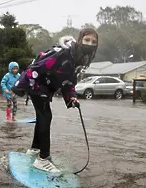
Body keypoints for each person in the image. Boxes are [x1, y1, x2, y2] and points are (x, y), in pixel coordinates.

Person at [12, 28, 98, 173]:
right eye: (87, 40)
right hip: (36, 83)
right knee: (46, 116)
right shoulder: (64, 51)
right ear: (80, 40)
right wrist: (23, 85)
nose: (90, 44)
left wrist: (72, 97)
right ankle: (43, 159)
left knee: (42, 117)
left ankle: (35, 149)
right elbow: (39, 65)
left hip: (43, 87)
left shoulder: (79, 57)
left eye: (94, 42)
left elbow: (68, 81)